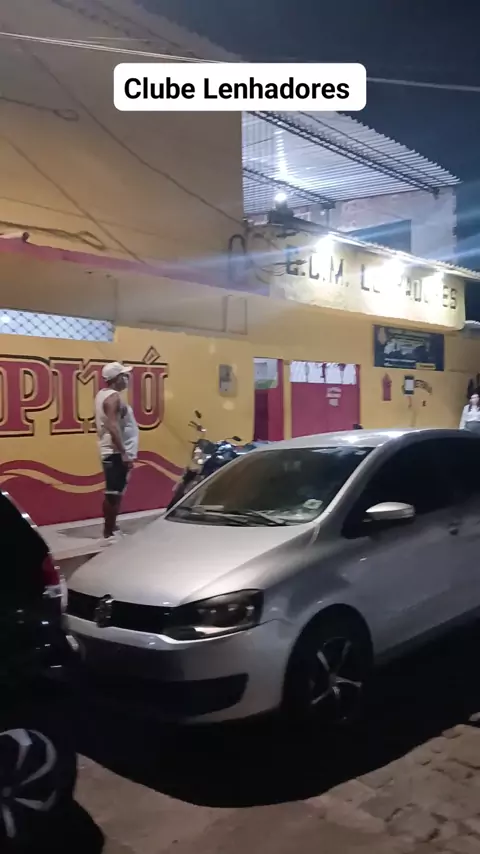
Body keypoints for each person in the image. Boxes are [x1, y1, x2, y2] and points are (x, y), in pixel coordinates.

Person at [95, 362, 138, 542]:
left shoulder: (103, 395)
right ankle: (109, 533)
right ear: (116, 378)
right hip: (115, 453)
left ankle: (112, 527)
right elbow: (112, 426)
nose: (127, 379)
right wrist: (124, 452)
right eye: (124, 376)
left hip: (114, 452)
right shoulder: (112, 398)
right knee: (113, 493)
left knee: (116, 492)